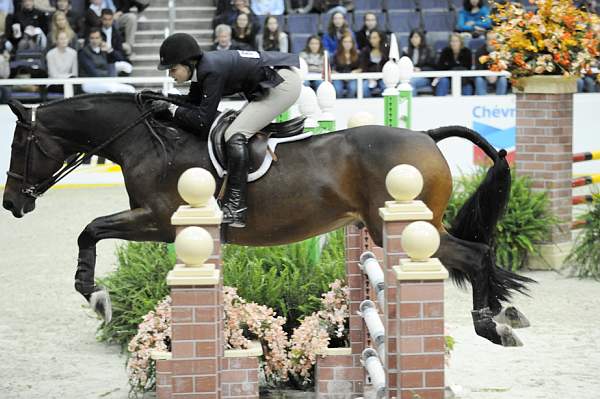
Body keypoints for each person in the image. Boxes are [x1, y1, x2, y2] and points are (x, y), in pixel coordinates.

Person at [152, 33, 302, 227]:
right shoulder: (203, 67)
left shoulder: (210, 70)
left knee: (234, 134)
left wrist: (171, 108)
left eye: (173, 69)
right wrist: (164, 98)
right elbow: (193, 102)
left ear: (188, 63)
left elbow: (201, 121)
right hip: (275, 79)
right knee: (235, 129)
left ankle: (235, 206)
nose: (171, 74)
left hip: (282, 85)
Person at [78, 27, 135, 92]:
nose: (94, 41)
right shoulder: (83, 52)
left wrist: (109, 51)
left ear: (101, 39)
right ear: (88, 39)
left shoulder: (103, 50)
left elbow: (120, 59)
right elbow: (93, 72)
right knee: (111, 88)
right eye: (92, 38)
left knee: (130, 89)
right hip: (89, 82)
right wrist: (110, 76)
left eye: (97, 38)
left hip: (105, 80)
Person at [474, 30, 507, 95]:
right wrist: (487, 75)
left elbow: (505, 67)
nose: (492, 42)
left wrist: (496, 75)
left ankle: (500, 102)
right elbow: (478, 68)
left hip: (498, 76)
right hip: (485, 76)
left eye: (494, 39)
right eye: (489, 39)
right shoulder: (479, 51)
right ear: (486, 41)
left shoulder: (502, 51)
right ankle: (482, 103)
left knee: (503, 79)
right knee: (479, 79)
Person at [402, 29, 435, 96]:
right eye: (412, 37)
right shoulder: (406, 51)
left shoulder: (429, 50)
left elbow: (433, 67)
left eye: (416, 37)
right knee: (403, 82)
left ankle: (411, 104)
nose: (414, 39)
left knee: (410, 83)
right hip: (409, 76)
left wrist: (420, 69)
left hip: (424, 76)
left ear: (421, 38)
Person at [358, 30, 388, 97]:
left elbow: (388, 65)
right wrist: (369, 77)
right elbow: (363, 67)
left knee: (386, 87)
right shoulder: (365, 50)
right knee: (364, 87)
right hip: (369, 77)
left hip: (383, 77)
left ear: (380, 38)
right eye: (371, 38)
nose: (372, 40)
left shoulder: (386, 50)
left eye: (374, 38)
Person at [331, 33, 359, 98]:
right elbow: (332, 69)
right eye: (345, 42)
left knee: (353, 88)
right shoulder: (336, 55)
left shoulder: (358, 54)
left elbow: (361, 68)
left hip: (353, 77)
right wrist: (340, 76)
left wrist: (353, 73)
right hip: (339, 77)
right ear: (341, 43)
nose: (347, 44)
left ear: (352, 43)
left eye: (349, 42)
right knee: (337, 89)